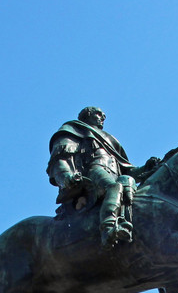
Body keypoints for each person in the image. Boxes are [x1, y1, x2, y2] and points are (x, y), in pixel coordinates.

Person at [47, 106, 159, 247]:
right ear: (87, 115)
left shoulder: (110, 141)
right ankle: (108, 228)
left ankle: (127, 224)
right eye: (99, 114)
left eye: (103, 115)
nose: (103, 117)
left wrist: (146, 168)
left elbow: (127, 171)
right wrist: (67, 177)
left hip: (115, 175)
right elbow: (60, 159)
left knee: (128, 182)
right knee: (114, 186)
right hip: (93, 172)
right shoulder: (74, 130)